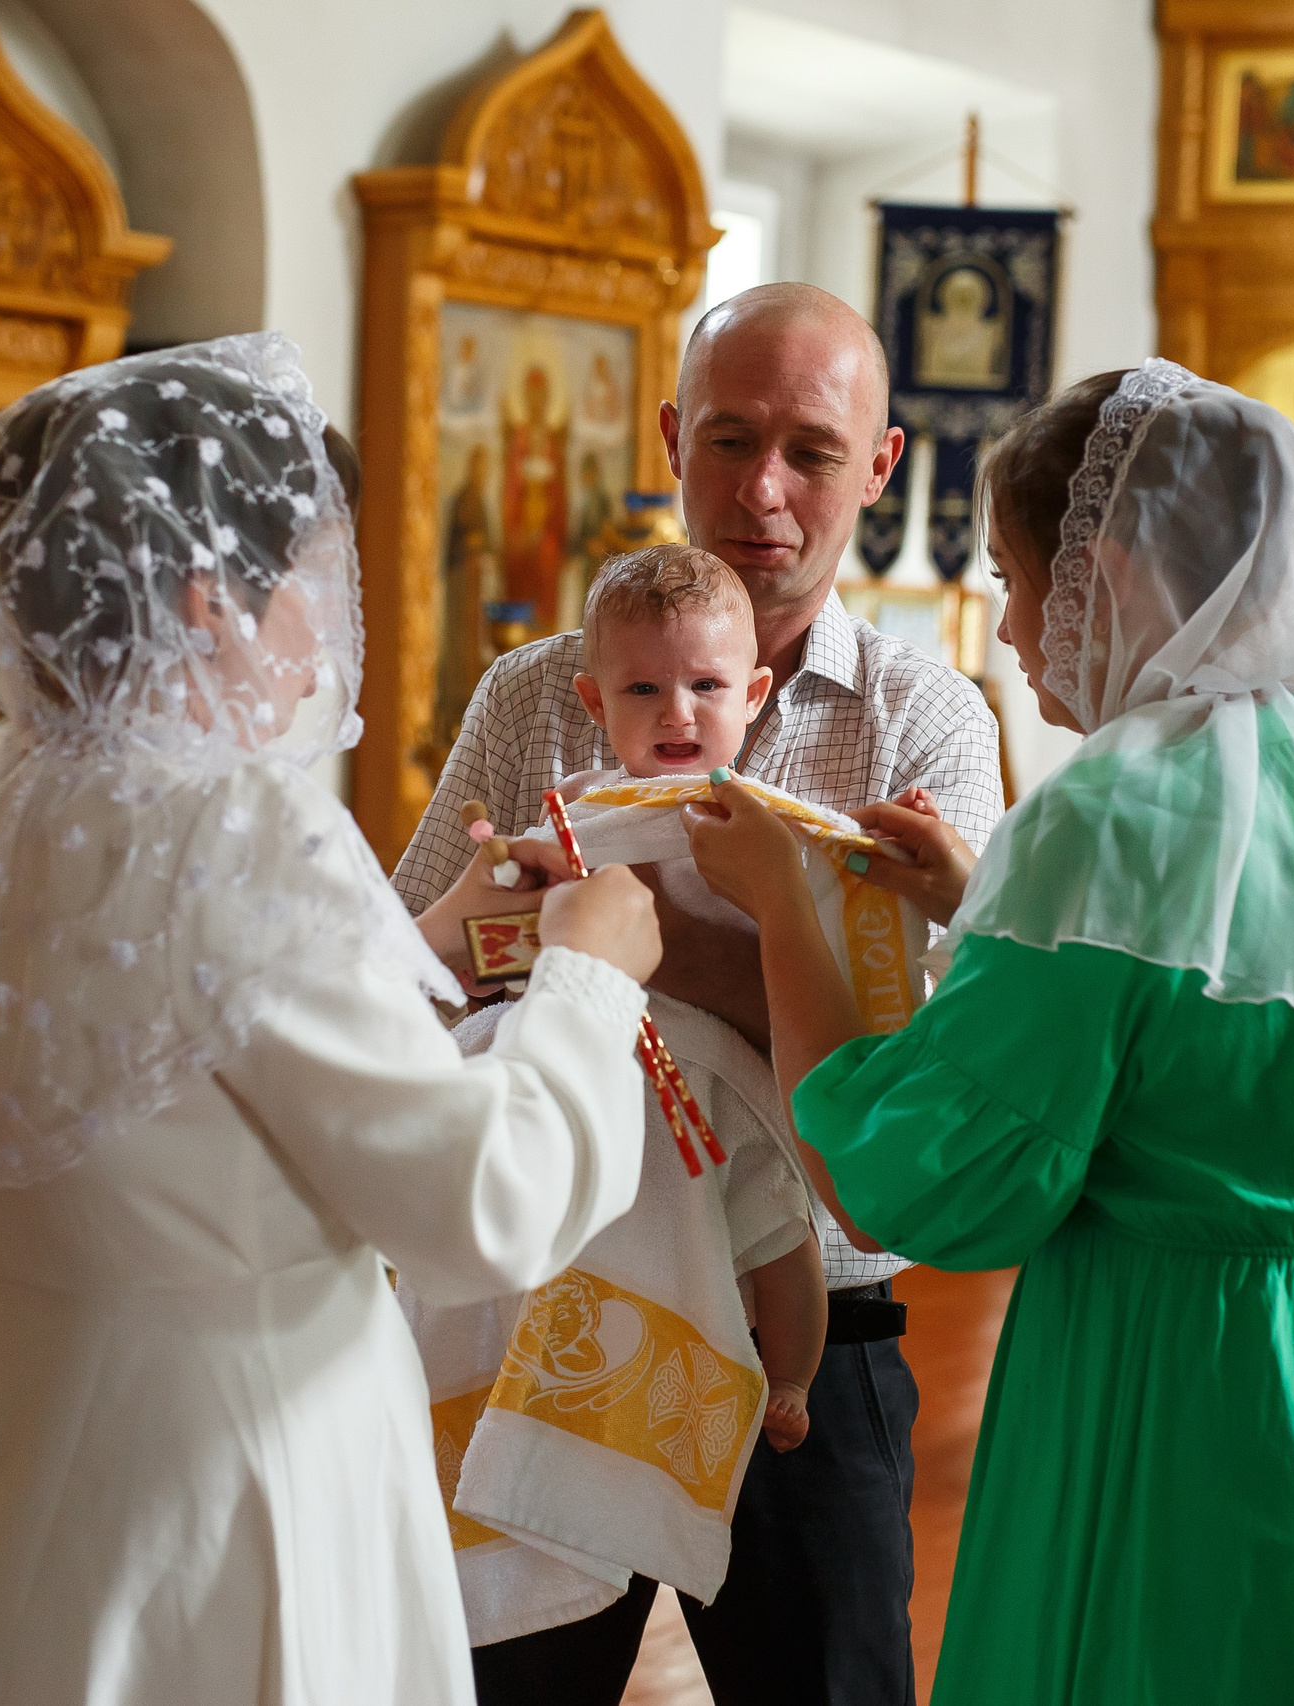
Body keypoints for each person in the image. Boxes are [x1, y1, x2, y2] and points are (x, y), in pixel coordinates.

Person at [686, 360, 1294, 1702]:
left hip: (1225, 1439)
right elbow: (1235, 1027)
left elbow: (912, 1176)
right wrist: (985, 904)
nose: (1006, 623)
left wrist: (784, 909)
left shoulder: (1108, 815)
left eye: (1013, 573)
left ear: (1107, 574)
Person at [0, 335, 667, 1706]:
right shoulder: (237, 819)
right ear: (210, 597)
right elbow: (479, 1207)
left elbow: (194, 1050)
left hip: (33, 1453)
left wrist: (430, 932)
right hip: (239, 1472)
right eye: (310, 579)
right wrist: (590, 973)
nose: (326, 622)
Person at [393, 281, 1005, 1706]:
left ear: (885, 464)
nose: (767, 489)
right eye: (730, 439)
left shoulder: (926, 717)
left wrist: (632, 935)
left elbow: (924, 1061)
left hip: (817, 1329)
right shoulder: (537, 690)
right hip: (549, 1300)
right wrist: (504, 921)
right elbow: (410, 979)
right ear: (672, 435)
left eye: (812, 448)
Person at [443, 545, 828, 1701]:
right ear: (592, 702)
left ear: (753, 694)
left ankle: (795, 1379)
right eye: (645, 690)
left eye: (708, 688)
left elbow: (841, 978)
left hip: (710, 1098)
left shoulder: (782, 831)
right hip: (589, 1088)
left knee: (776, 1237)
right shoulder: (572, 819)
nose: (677, 713)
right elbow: (481, 946)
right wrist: (494, 896)